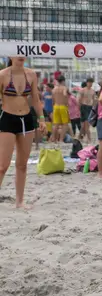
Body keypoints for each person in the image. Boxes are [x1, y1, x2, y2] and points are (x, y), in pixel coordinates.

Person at [0, 56, 47, 209]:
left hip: (26, 119)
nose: (20, 55)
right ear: (10, 56)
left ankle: (19, 201)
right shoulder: (3, 75)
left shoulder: (31, 74)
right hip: (7, 118)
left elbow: (35, 98)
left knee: (22, 164)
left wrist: (41, 119)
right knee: (3, 165)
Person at [52, 76, 70, 142]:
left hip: (56, 106)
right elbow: (65, 94)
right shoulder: (64, 88)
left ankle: (53, 139)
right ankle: (61, 139)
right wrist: (66, 101)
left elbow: (53, 99)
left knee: (56, 124)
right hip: (62, 106)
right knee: (65, 124)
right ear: (63, 81)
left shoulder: (54, 89)